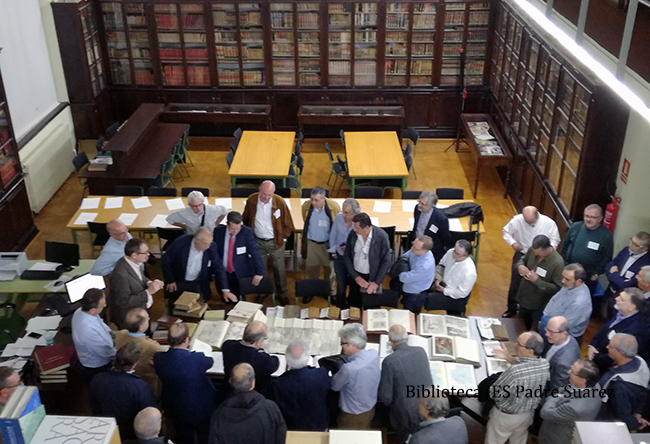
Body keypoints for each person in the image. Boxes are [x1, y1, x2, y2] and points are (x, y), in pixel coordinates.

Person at [154, 323, 214, 444]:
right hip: (199, 406)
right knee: (204, 434)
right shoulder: (197, 359)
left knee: (184, 435)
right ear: (187, 340)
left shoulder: (159, 358)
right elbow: (210, 361)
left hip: (174, 406)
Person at [486, 332, 550, 444]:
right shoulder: (544, 364)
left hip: (506, 417)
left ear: (530, 351)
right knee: (519, 440)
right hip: (527, 414)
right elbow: (526, 366)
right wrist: (508, 357)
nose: (515, 345)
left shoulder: (513, 373)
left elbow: (494, 393)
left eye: (519, 344)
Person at [89, 343, 157, 441]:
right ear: (134, 364)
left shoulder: (97, 378)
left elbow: (94, 405)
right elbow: (149, 412)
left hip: (105, 428)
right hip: (130, 431)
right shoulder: (140, 387)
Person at [242, 180, 295, 305]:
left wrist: (283, 238)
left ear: (273, 193)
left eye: (269, 195)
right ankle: (262, 292)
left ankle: (282, 293)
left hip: (275, 242)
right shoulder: (252, 200)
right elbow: (246, 219)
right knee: (260, 269)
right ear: (259, 189)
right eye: (264, 194)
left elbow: (288, 224)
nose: (266, 197)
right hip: (257, 241)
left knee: (279, 269)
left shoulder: (279, 202)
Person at [502, 206, 560, 317]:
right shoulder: (517, 220)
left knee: (535, 284)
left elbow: (555, 240)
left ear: (537, 215)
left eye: (531, 222)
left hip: (542, 258)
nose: (528, 225)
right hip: (523, 253)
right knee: (515, 283)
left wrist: (547, 254)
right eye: (526, 222)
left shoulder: (549, 223)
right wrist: (513, 243)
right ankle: (511, 308)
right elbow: (506, 232)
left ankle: (530, 310)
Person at [378, 325, 433, 441]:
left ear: (390, 342)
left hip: (406, 418)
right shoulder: (421, 351)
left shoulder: (389, 362)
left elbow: (386, 398)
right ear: (407, 338)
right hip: (428, 409)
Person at [208, 363, 286, 444]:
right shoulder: (271, 409)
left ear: (230, 381)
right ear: (253, 383)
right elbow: (281, 437)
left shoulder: (218, 415)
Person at [268, 339, 331, 431]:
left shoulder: (277, 385)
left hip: (290, 430)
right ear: (307, 357)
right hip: (318, 429)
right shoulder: (321, 375)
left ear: (287, 360)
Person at [162, 227, 236, 304]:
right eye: (205, 244)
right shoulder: (181, 242)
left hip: (199, 283)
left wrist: (225, 290)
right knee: (176, 306)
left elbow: (219, 268)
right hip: (179, 281)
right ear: (196, 241)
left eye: (210, 243)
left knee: (200, 306)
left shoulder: (211, 247)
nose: (208, 247)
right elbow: (166, 260)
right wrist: (170, 280)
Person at [538, 359, 602, 444]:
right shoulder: (594, 386)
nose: (568, 372)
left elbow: (545, 412)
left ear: (583, 380)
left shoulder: (575, 408)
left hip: (556, 438)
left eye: (572, 371)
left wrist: (556, 396)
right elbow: (564, 388)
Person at [588, 288, 650, 373]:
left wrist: (595, 357)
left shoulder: (636, 330)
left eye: (622, 299)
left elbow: (619, 355)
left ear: (632, 307)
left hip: (608, 367)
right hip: (598, 355)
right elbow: (604, 329)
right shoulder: (619, 312)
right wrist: (592, 345)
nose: (616, 298)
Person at [331, 323, 381, 430]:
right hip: (370, 407)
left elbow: (334, 386)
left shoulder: (349, 369)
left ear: (353, 345)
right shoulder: (373, 354)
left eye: (342, 343)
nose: (341, 346)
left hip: (352, 415)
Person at [597, 333, 650, 431]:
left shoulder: (618, 386)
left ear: (621, 354)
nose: (607, 347)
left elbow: (623, 416)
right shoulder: (640, 362)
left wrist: (636, 424)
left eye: (611, 346)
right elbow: (644, 391)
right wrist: (638, 412)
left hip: (605, 423)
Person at [109, 238, 163, 329]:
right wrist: (148, 292)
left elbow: (140, 278)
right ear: (134, 255)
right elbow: (123, 303)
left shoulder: (134, 262)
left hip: (143, 311)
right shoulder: (120, 275)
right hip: (132, 321)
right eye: (145, 252)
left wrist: (149, 283)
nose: (148, 254)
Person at [561, 204, 614, 295]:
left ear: (600, 219)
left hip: (588, 277)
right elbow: (565, 246)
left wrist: (596, 275)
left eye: (592, 217)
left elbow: (606, 258)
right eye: (586, 216)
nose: (588, 219)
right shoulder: (575, 227)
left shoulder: (606, 236)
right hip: (569, 271)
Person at [514, 234, 564, 331]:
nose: (535, 254)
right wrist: (520, 266)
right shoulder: (533, 250)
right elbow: (522, 260)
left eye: (538, 253)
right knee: (520, 326)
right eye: (534, 251)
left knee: (536, 331)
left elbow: (557, 289)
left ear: (547, 249)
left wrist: (537, 281)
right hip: (524, 297)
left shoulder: (558, 263)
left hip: (539, 304)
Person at [343, 212, 391, 308]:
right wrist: (356, 277)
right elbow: (347, 256)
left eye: (357, 228)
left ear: (367, 228)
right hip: (356, 275)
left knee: (370, 306)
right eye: (354, 227)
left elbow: (386, 261)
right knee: (354, 303)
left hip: (372, 277)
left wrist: (377, 282)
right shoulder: (353, 235)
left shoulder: (381, 237)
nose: (354, 230)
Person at [213, 211, 265, 298]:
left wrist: (259, 272)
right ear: (227, 224)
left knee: (240, 297)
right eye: (232, 229)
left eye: (238, 228)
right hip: (223, 272)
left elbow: (255, 252)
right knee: (224, 296)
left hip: (240, 273)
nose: (235, 231)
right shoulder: (218, 231)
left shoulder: (246, 232)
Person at [222, 320, 280, 397]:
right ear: (258, 342)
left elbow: (236, 344)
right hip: (255, 395)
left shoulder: (228, 346)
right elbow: (275, 361)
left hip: (228, 392)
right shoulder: (264, 360)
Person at [115, 308, 163, 398]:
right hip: (146, 384)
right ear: (141, 328)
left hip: (122, 383)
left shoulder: (119, 335)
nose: (149, 319)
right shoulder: (152, 346)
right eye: (147, 319)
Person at [71, 288, 115, 383]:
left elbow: (101, 323)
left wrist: (112, 334)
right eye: (103, 306)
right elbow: (103, 352)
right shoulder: (87, 330)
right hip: (97, 366)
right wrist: (118, 353)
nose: (105, 306)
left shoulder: (82, 311)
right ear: (92, 310)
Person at [301, 186, 340, 287]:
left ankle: (329, 291)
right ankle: (313, 289)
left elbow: (337, 225)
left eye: (316, 200)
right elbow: (305, 220)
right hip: (312, 244)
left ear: (324, 198)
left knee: (330, 270)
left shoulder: (334, 207)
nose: (313, 202)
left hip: (327, 244)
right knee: (311, 269)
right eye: (312, 199)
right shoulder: (306, 206)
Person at [542, 263, 592, 342]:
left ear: (579, 281)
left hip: (562, 335)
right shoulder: (569, 285)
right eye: (563, 277)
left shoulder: (580, 303)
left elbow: (564, 325)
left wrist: (547, 324)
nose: (562, 281)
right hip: (550, 324)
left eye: (567, 279)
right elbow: (554, 300)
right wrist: (545, 316)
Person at [426, 239, 477, 315]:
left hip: (455, 296)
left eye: (458, 254)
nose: (454, 255)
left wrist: (444, 290)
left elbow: (462, 293)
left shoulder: (469, 272)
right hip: (442, 285)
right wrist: (438, 278)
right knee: (423, 296)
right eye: (454, 251)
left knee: (453, 317)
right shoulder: (451, 252)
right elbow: (442, 265)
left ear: (466, 256)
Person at [328, 198, 360, 308]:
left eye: (346, 212)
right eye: (343, 211)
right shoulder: (338, 217)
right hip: (339, 257)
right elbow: (333, 235)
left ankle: (351, 305)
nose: (343, 214)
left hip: (354, 259)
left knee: (353, 283)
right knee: (340, 283)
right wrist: (333, 251)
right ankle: (340, 305)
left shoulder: (360, 222)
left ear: (355, 213)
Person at [398, 235, 436, 314]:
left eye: (415, 248)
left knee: (410, 315)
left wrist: (400, 270)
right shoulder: (416, 250)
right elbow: (404, 257)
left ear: (425, 251)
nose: (412, 248)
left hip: (415, 295)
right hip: (408, 288)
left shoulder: (425, 265)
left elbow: (404, 278)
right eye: (413, 245)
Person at [411, 190, 449, 263]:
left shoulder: (441, 219)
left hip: (431, 251)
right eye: (419, 202)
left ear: (431, 206)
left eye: (423, 204)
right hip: (416, 246)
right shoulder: (417, 209)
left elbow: (445, 238)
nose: (419, 205)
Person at [544, 316, 580, 389]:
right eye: (547, 329)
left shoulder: (563, 363)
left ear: (564, 333)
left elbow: (557, 388)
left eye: (551, 332)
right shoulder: (570, 339)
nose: (547, 334)